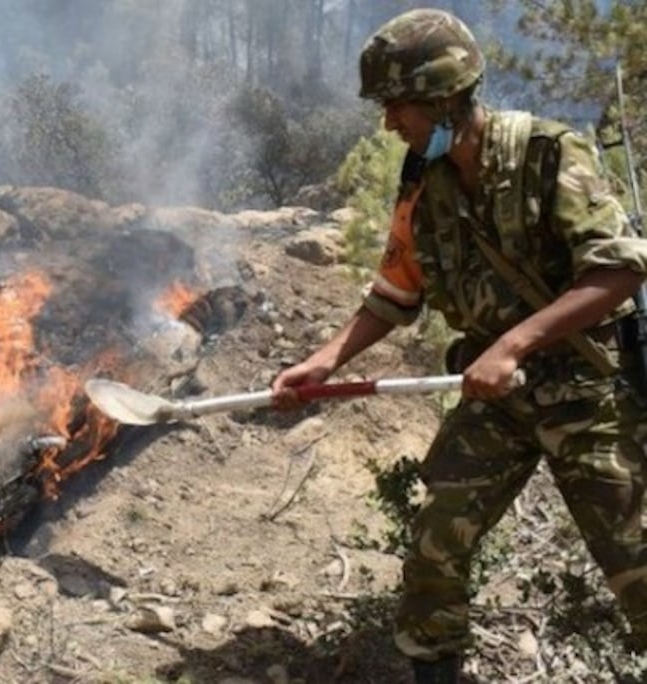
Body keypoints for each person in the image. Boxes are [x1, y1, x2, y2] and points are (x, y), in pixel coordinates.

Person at [271, 8, 647, 684]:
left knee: (635, 561)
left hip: (587, 390)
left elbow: (619, 269)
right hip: (495, 395)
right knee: (434, 540)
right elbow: (395, 290)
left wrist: (514, 344)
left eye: (398, 107)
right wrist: (328, 358)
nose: (390, 124)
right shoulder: (423, 182)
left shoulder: (548, 154)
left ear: (446, 97)